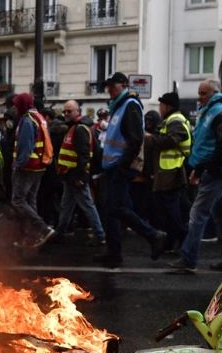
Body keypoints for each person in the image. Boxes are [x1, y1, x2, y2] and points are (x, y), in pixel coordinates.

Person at [91, 73, 166, 268]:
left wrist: (123, 165)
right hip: (113, 166)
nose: (109, 89)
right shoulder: (117, 106)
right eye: (107, 86)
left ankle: (153, 235)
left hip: (119, 166)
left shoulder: (129, 105)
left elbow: (135, 139)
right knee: (111, 210)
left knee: (115, 208)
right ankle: (114, 252)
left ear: (123, 85)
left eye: (112, 85)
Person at [170, 79, 222, 274]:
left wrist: (205, 168)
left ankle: (188, 258)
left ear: (213, 93)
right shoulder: (212, 111)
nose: (199, 97)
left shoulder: (218, 112)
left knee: (197, 214)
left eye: (203, 93)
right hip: (218, 169)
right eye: (199, 93)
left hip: (218, 171)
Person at [144, 91, 192, 253]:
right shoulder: (171, 120)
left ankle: (183, 238)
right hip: (168, 171)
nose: (160, 108)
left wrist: (151, 139)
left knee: (171, 211)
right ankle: (171, 243)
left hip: (171, 171)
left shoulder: (175, 120)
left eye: (161, 105)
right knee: (168, 210)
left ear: (166, 106)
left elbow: (173, 139)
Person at [55, 99, 105, 246]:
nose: (66, 114)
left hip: (76, 177)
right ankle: (60, 232)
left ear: (78, 111)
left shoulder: (80, 129)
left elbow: (85, 155)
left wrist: (82, 177)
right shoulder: (74, 128)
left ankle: (100, 235)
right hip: (70, 176)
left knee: (87, 205)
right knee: (66, 205)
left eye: (69, 111)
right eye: (64, 111)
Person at [10, 92, 55, 248]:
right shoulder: (39, 117)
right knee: (30, 200)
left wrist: (18, 165)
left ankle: (42, 228)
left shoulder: (27, 120)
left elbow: (25, 146)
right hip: (39, 166)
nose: (14, 108)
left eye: (16, 105)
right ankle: (32, 236)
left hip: (28, 166)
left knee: (18, 200)